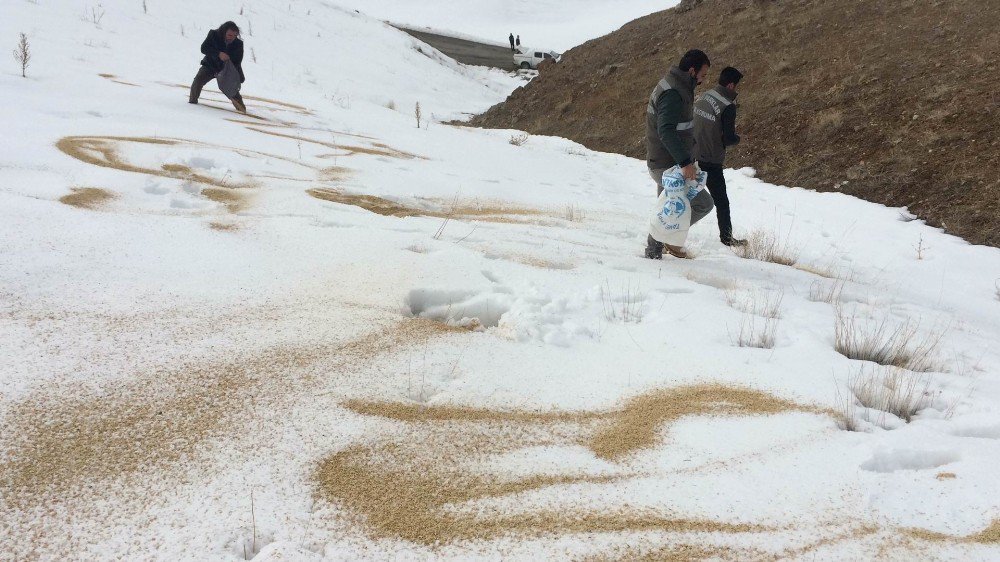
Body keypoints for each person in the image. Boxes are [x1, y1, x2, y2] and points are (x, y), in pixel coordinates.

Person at [644, 49, 714, 260]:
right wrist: (685, 163)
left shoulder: (677, 84)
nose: (703, 80)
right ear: (692, 71)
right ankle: (667, 237)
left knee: (665, 212)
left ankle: (654, 252)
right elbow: (665, 130)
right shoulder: (674, 92)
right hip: (667, 164)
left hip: (667, 160)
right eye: (702, 75)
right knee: (703, 204)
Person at [693, 66, 746, 246]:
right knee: (721, 202)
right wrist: (739, 138)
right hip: (711, 160)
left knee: (684, 197)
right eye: (737, 86)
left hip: (691, 156)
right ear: (731, 85)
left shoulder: (705, 95)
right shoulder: (728, 106)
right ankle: (727, 238)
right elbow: (729, 138)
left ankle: (668, 229)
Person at [189, 21, 246, 113]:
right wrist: (218, 54)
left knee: (232, 89)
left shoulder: (238, 44)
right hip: (210, 65)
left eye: (235, 36)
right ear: (224, 31)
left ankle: (242, 110)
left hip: (226, 69)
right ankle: (192, 105)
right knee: (198, 81)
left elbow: (238, 61)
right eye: (230, 35)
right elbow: (204, 48)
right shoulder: (213, 34)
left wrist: (234, 72)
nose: (232, 38)